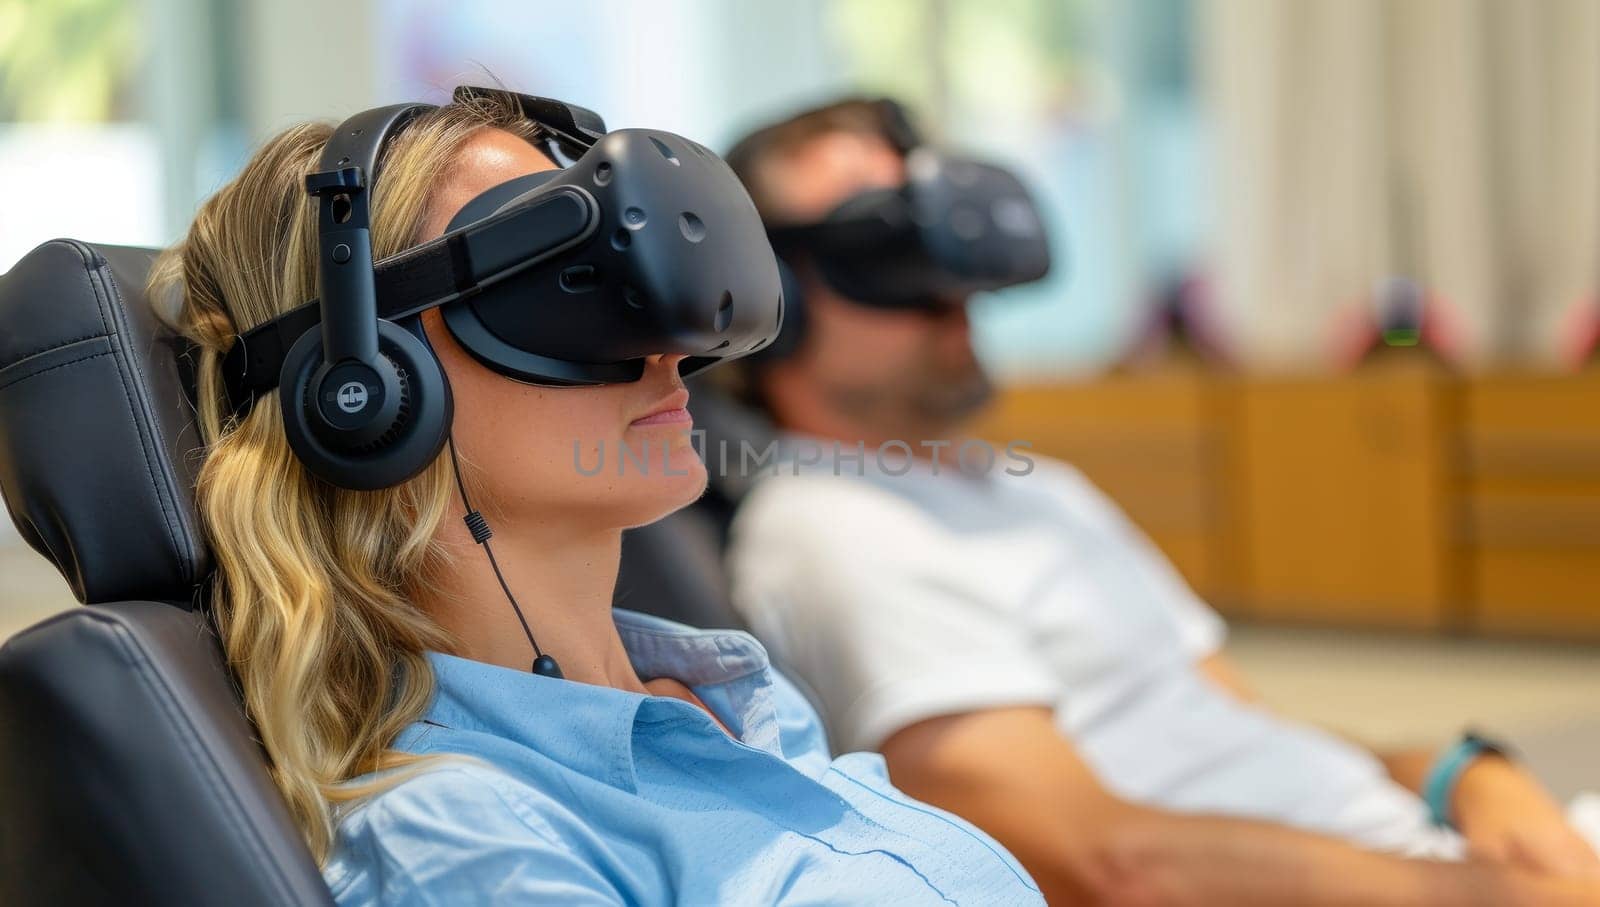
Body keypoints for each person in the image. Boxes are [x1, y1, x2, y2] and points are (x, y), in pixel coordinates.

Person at [155, 88, 1042, 905]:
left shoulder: (729, 692)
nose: (666, 345)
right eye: (567, 290)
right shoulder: (464, 838)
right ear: (367, 386)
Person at [720, 98, 1600, 906]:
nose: (950, 289)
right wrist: (1499, 896)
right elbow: (1105, 866)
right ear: (776, 298)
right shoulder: (832, 529)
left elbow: (1238, 726)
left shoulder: (1038, 490)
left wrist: (1453, 772)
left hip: (1427, 853)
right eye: (887, 250)